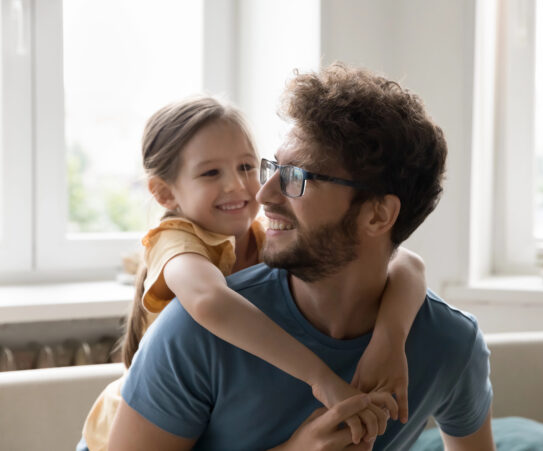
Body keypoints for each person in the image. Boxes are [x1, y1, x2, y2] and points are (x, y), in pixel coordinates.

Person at [108, 63, 494, 450]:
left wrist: (390, 338)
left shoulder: (451, 343)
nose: (262, 194)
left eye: (297, 177)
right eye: (274, 168)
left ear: (378, 215)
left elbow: (406, 261)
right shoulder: (197, 330)